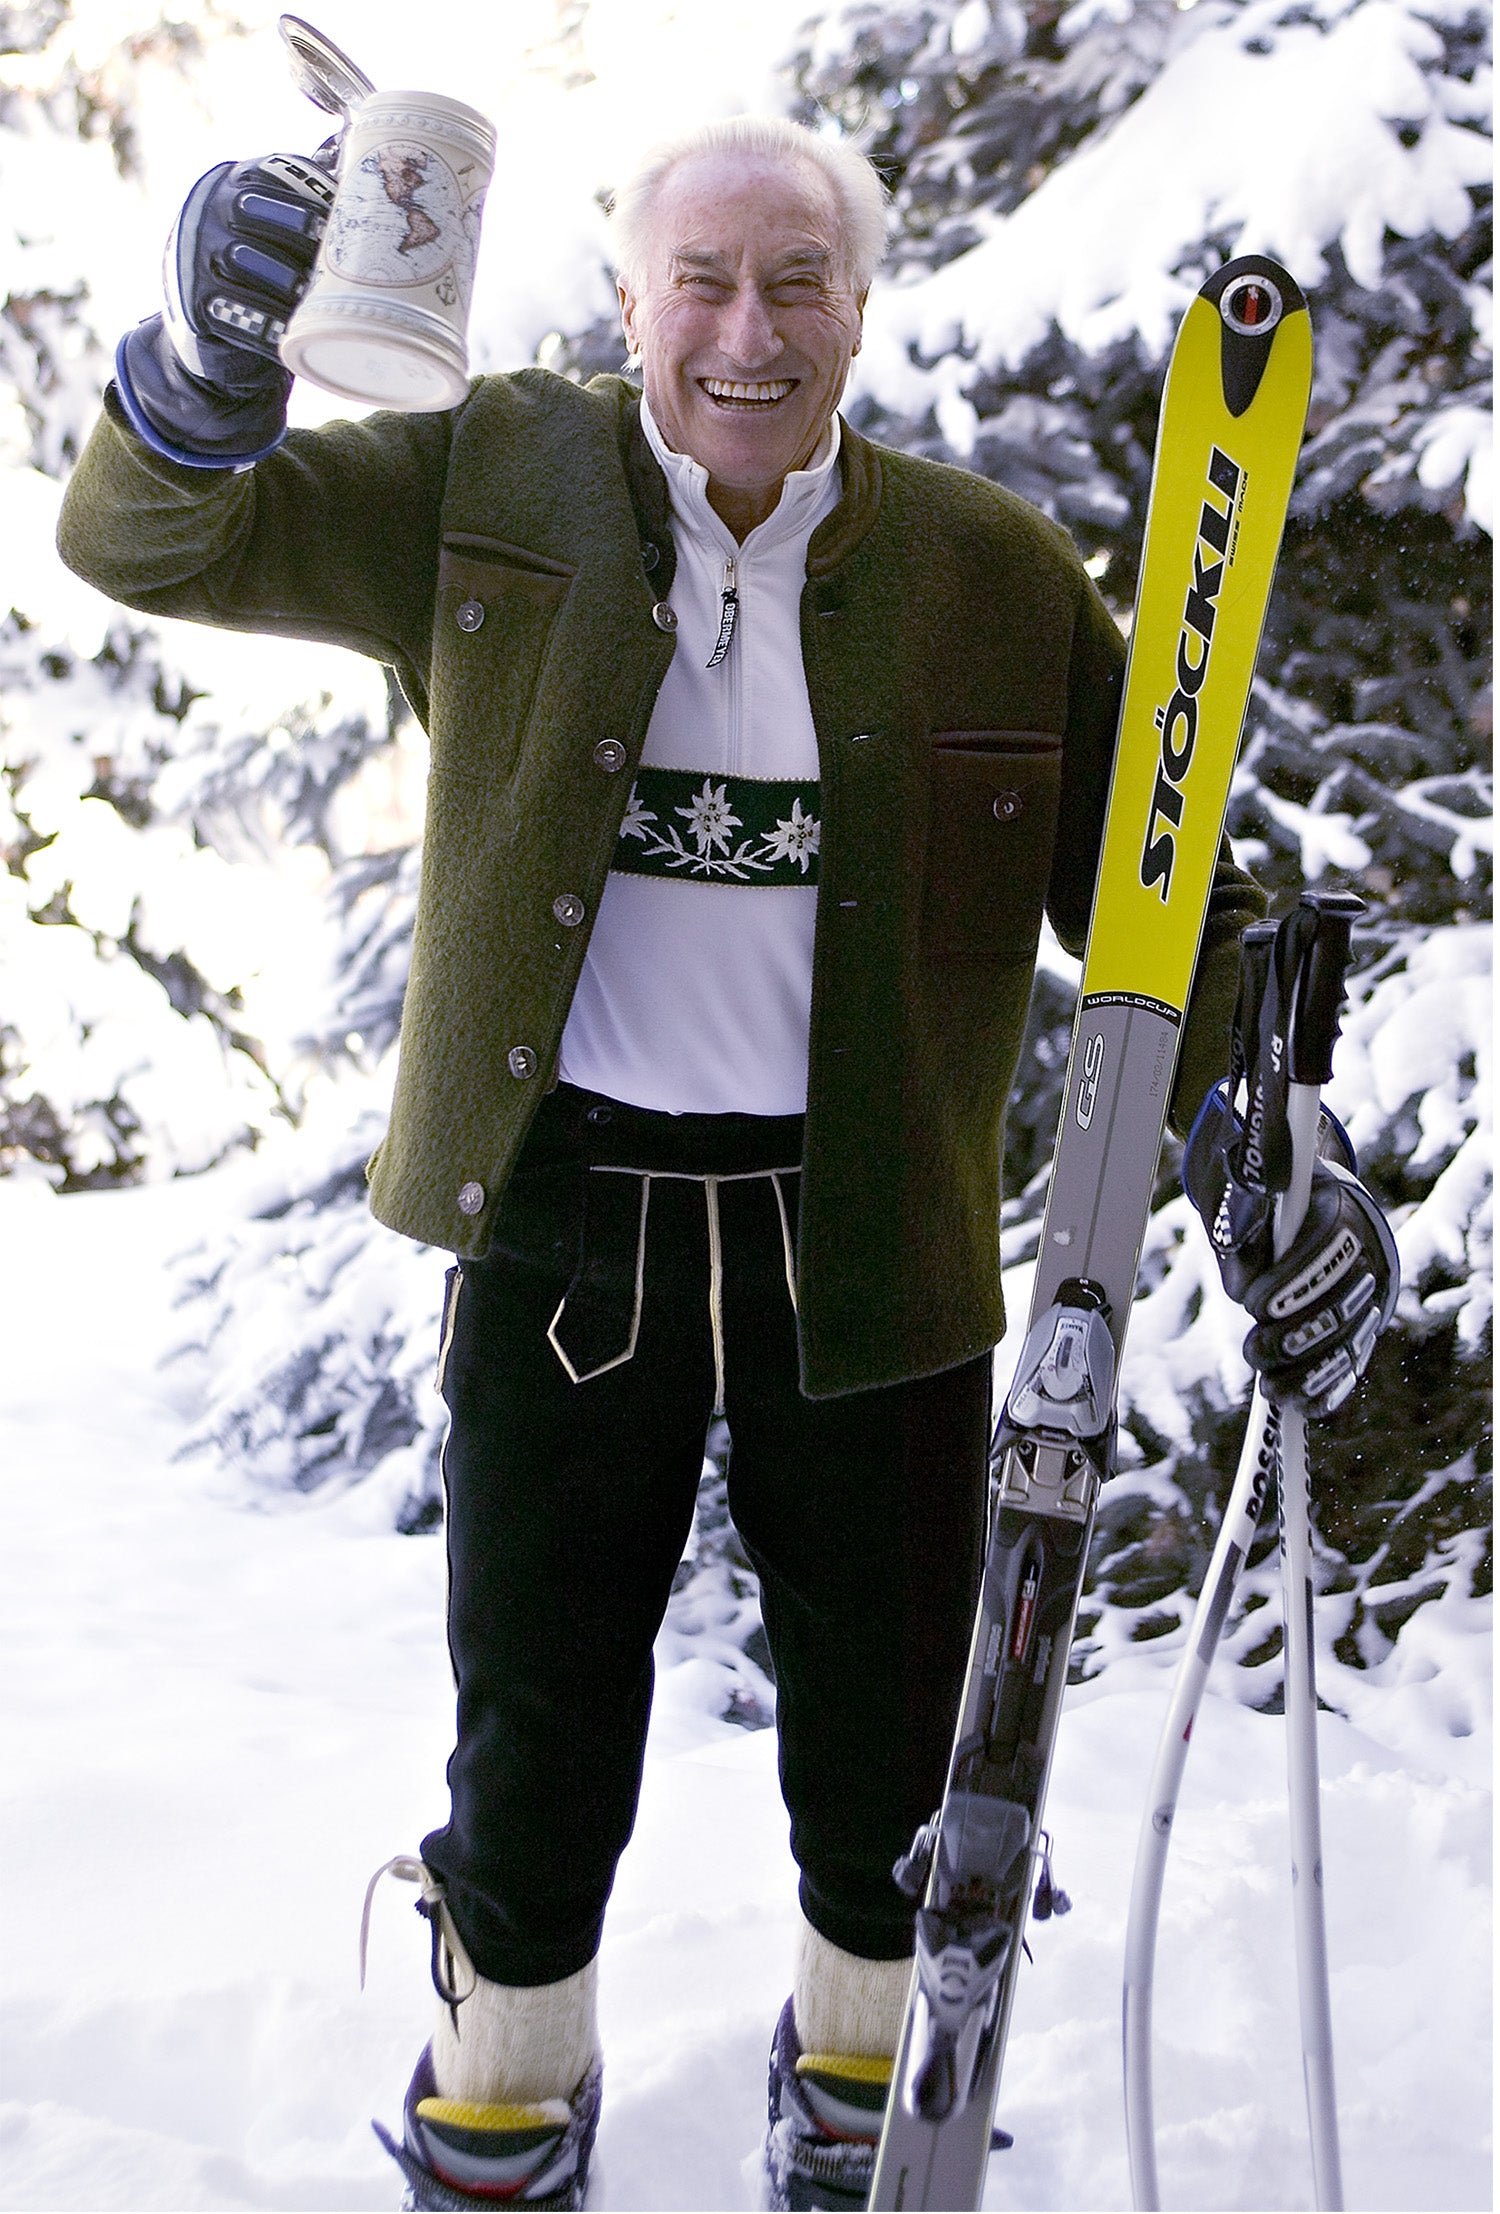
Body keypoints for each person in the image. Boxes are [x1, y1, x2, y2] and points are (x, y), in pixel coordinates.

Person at [56, 113, 1394, 2213]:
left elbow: (1149, 900)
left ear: (861, 305)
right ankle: (503, 2095)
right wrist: (209, 369)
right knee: (538, 1727)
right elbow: (150, 547)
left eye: (797, 282)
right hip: (567, 1238)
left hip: (866, 1247)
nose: (748, 332)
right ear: (629, 301)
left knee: (889, 1743)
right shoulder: (491, 481)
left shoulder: (984, 573)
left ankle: (871, 2100)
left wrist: (1259, 1113)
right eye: (704, 280)